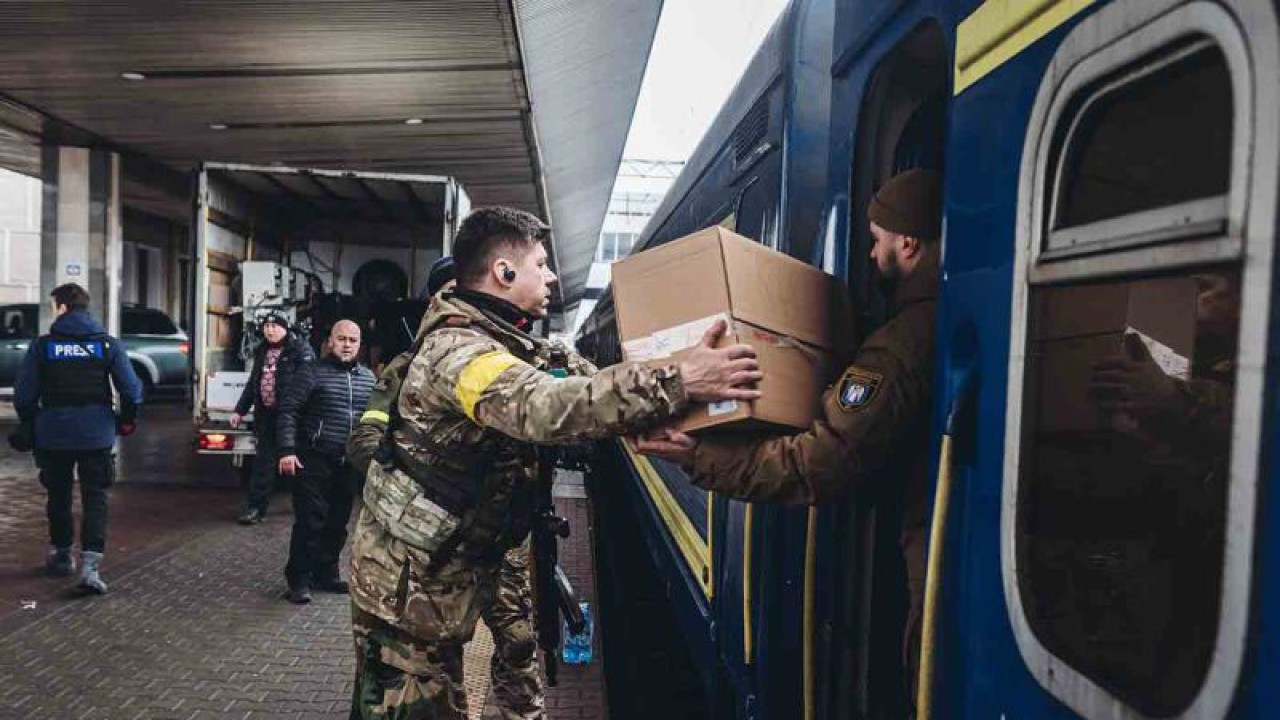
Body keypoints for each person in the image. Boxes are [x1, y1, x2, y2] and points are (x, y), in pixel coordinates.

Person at [347, 206, 762, 720]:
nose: (551, 277)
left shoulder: (518, 341)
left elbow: (583, 386)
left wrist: (662, 412)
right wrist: (680, 379)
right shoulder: (458, 352)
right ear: (503, 272)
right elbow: (541, 407)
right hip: (406, 595)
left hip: (458, 568)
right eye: (540, 264)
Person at [636, 168, 943, 712]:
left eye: (876, 243)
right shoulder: (940, 323)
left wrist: (700, 456)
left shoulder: (899, 348)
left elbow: (816, 465)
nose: (871, 258)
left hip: (930, 563)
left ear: (908, 244)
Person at [13, 283, 144, 594]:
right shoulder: (107, 345)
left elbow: (24, 394)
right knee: (95, 498)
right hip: (95, 434)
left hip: (53, 434)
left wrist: (30, 422)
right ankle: (90, 567)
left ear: (61, 308)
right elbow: (131, 389)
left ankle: (61, 556)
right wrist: (126, 421)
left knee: (58, 496)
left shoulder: (43, 346)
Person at [276, 319, 375, 604]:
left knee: (337, 522)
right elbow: (288, 411)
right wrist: (286, 450)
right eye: (341, 339)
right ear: (330, 341)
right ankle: (299, 579)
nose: (346, 344)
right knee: (310, 521)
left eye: (352, 340)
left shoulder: (368, 379)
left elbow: (375, 421)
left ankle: (326, 573)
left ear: (359, 345)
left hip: (348, 464)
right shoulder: (310, 373)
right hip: (313, 460)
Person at [230, 312, 314, 525]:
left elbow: (308, 383)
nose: (270, 330)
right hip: (266, 416)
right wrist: (240, 410)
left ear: (286, 328)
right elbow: (253, 384)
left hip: (293, 417)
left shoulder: (300, 351)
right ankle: (255, 509)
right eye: (267, 326)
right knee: (262, 465)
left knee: (298, 464)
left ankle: (305, 509)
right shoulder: (262, 351)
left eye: (275, 326)